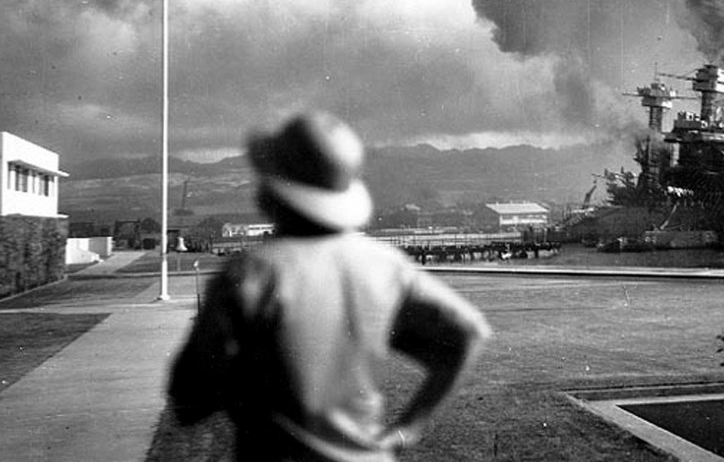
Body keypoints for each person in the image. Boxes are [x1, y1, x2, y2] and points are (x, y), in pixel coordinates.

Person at [168, 111, 491, 461]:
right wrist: (409, 427)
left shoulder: (251, 274)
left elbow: (189, 401)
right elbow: (470, 333)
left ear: (271, 191)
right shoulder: (386, 265)